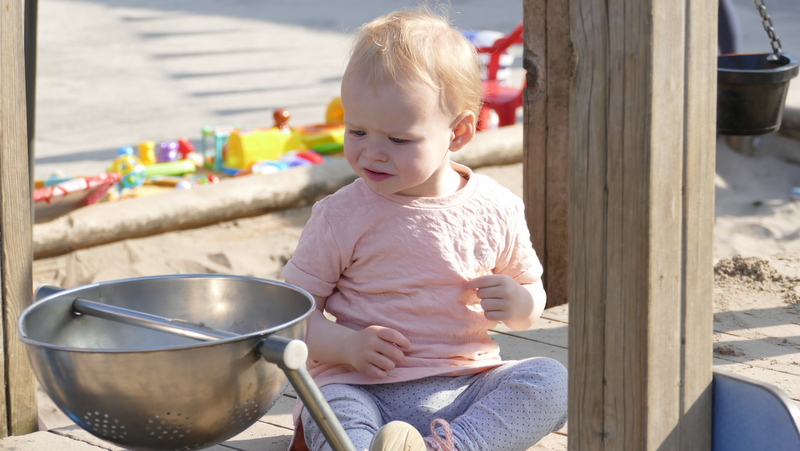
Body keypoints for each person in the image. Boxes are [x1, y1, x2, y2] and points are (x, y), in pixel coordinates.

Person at [282, 8, 568, 451]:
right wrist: (347, 346)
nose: (372, 153)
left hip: (466, 385)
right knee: (330, 406)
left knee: (552, 380)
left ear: (459, 132)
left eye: (398, 139)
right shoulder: (340, 215)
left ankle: (454, 445)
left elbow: (531, 296)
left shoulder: (496, 207)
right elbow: (293, 315)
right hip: (361, 385)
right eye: (357, 131)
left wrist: (519, 301)